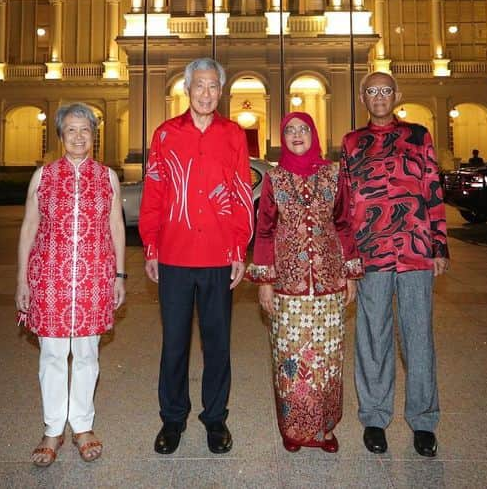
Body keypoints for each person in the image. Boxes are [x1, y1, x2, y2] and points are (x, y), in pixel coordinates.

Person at [140, 57, 254, 456]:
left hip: (219, 255)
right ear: (187, 90)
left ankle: (215, 418)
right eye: (199, 86)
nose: (206, 94)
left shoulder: (234, 136)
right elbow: (153, 193)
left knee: (217, 343)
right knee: (174, 343)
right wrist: (150, 245)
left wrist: (240, 247)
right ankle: (172, 419)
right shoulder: (166, 135)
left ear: (221, 91)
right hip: (174, 253)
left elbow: (241, 194)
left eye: (213, 87)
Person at [340, 71, 449, 458]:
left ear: (396, 95)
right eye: (372, 91)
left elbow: (433, 189)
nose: (380, 96)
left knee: (418, 337)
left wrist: (439, 246)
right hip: (372, 253)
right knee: (373, 337)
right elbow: (346, 203)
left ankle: (423, 421)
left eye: (386, 90)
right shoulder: (352, 143)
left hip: (416, 251)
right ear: (363, 98)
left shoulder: (419, 136)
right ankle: (374, 417)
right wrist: (349, 255)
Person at [15, 103, 126, 467]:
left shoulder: (107, 176)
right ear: (61, 136)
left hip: (94, 277)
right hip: (50, 278)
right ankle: (52, 429)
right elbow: (30, 227)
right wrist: (22, 280)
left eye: (86, 130)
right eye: (71, 130)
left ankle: (82, 425)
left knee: (86, 355)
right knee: (51, 355)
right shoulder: (43, 176)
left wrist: (120, 276)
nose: (79, 137)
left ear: (94, 135)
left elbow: (116, 228)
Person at [248, 111, 361, 453]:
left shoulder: (332, 174)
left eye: (303, 129)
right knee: (290, 358)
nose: (297, 134)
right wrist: (265, 281)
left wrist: (350, 273)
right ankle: (294, 429)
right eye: (290, 130)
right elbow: (264, 231)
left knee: (327, 358)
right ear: (283, 138)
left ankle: (325, 428)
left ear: (313, 133)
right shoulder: (275, 180)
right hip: (287, 284)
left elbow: (343, 223)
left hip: (329, 281)